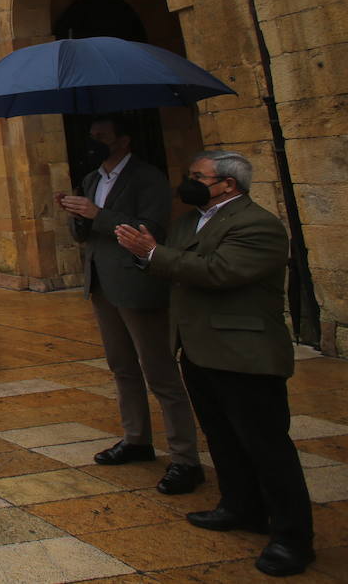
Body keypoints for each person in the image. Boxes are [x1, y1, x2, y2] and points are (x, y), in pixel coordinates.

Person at [116, 150, 314, 577]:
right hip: (198, 346)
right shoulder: (190, 221)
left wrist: (154, 254)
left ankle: (291, 537)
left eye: (197, 176)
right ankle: (239, 505)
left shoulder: (257, 224)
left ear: (228, 183)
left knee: (266, 445)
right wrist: (145, 253)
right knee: (221, 435)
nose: (188, 181)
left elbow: (220, 272)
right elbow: (176, 267)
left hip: (244, 351)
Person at [59, 116, 201, 495]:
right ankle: (136, 437)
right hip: (103, 283)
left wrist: (97, 214)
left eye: (102, 137)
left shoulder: (147, 177)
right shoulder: (92, 180)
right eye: (92, 137)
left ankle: (185, 456)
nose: (94, 143)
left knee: (159, 371)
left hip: (138, 284)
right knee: (121, 366)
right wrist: (75, 214)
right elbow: (82, 235)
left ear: (122, 140)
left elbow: (150, 229)